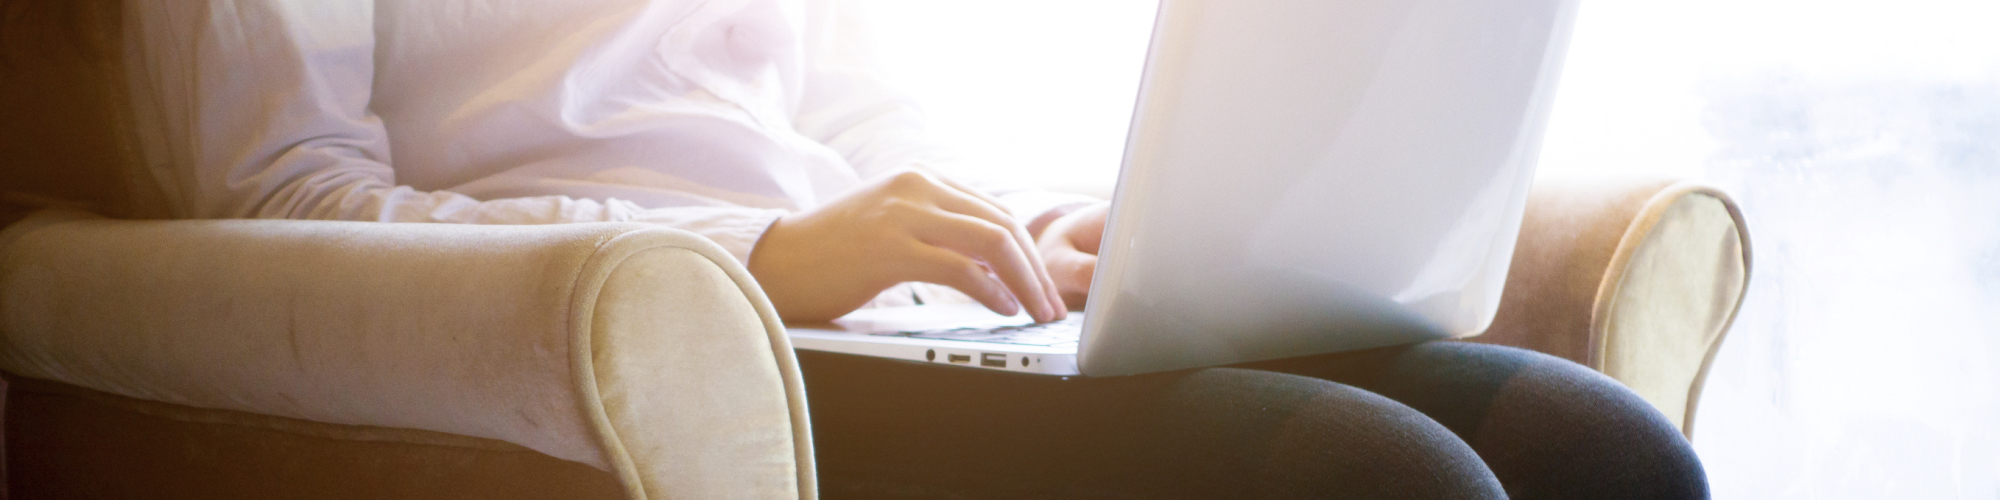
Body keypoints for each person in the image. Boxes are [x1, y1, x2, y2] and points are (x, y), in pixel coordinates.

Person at [125, 0, 1707, 497]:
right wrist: (766, 252)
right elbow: (280, 200)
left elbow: (850, 119)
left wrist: (1009, 228)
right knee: (1378, 483)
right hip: (677, 345)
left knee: (1605, 451)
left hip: (857, 302)